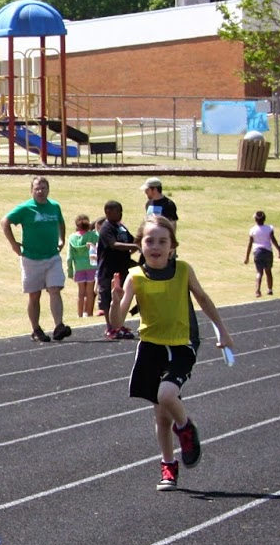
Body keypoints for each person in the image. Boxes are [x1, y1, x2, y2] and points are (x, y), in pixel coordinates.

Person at [107, 214, 234, 491]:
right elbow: (117, 324)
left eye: (162, 241)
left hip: (181, 344)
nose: (155, 246)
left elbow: (202, 298)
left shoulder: (184, 270)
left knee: (167, 394)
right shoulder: (135, 276)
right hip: (150, 347)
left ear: (172, 247)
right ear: (139, 245)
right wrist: (115, 301)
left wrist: (222, 330)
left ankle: (186, 428)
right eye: (149, 241)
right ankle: (168, 466)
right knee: (161, 416)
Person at [1, 175, 71, 343]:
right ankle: (36, 329)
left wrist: (62, 239)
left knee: (55, 289)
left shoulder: (54, 206)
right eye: (37, 189)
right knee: (34, 295)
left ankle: (59, 325)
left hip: (52, 256)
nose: (40, 191)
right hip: (32, 258)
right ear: (31, 190)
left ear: (48, 190)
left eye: (43, 188)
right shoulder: (26, 208)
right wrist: (14, 244)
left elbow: (61, 223)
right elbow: (5, 222)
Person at [96, 201, 137, 338]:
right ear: (108, 211)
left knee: (122, 296)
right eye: (118, 211)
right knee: (108, 297)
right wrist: (134, 247)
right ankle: (110, 326)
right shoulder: (106, 228)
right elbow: (114, 244)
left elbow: (133, 240)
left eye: (121, 211)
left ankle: (119, 324)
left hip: (123, 267)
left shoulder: (121, 228)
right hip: (109, 270)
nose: (121, 214)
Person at [66, 213, 99, 317]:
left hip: (79, 268)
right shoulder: (94, 236)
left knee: (80, 293)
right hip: (92, 266)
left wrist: (70, 271)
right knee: (89, 293)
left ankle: (80, 314)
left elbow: (69, 257)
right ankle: (89, 314)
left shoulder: (72, 238)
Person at [243, 210, 278, 297]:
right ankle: (270, 289)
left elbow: (250, 244)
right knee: (268, 271)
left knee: (259, 272)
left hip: (257, 251)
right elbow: (273, 240)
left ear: (255, 219)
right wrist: (279, 250)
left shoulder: (252, 230)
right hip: (268, 251)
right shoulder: (269, 228)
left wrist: (247, 257)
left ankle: (258, 290)